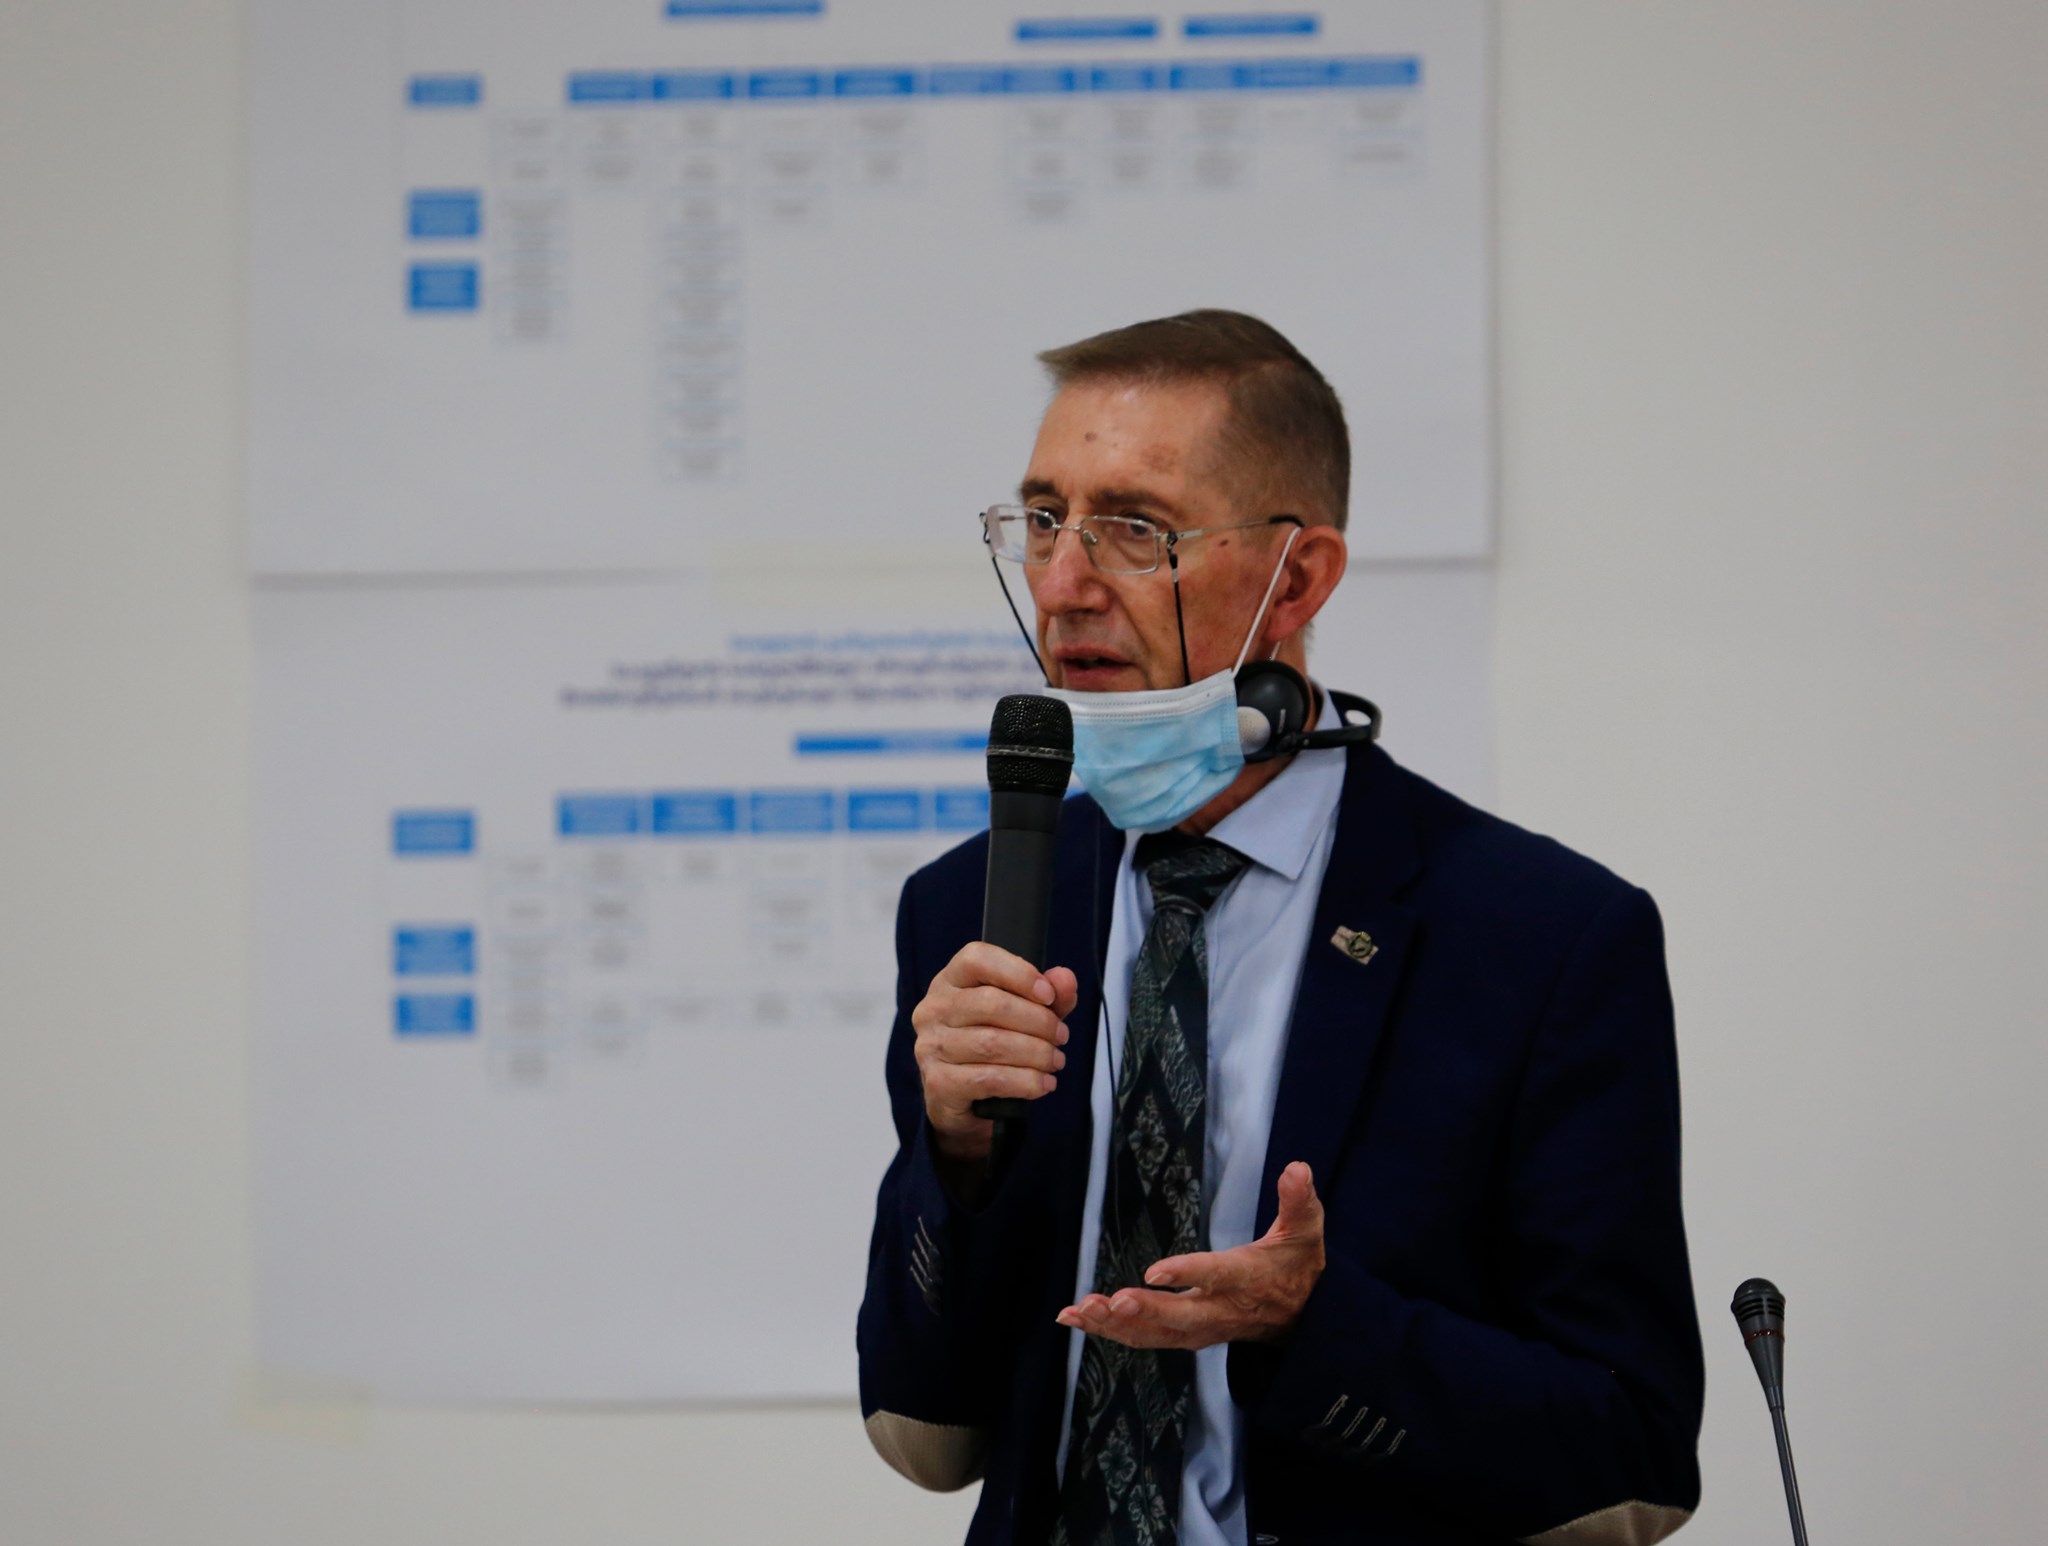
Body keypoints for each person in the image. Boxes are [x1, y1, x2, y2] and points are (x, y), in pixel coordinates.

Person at [857, 310, 1704, 1546]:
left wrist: (1316, 1326)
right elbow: (924, 1430)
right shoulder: (972, 903)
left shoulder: (1541, 938)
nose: (1061, 585)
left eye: (1131, 529)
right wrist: (953, 1157)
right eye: (1041, 520)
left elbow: (1632, 1458)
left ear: (1295, 578)